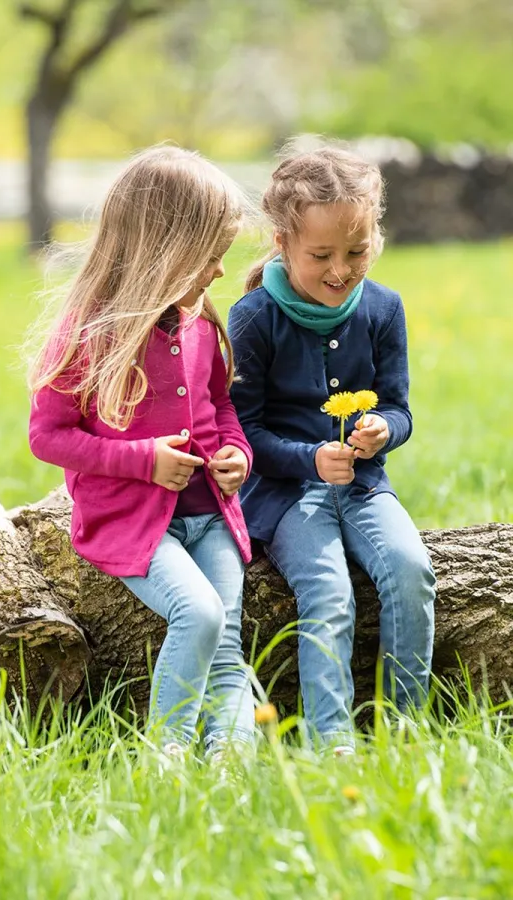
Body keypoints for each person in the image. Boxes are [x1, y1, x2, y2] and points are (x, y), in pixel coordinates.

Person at [28, 145, 255, 761]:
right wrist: (144, 462)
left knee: (228, 639)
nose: (217, 273)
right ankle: (169, 759)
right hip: (132, 521)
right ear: (166, 250)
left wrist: (237, 454)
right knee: (200, 614)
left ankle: (234, 769)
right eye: (209, 257)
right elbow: (47, 437)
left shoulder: (200, 323)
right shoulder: (88, 332)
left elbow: (220, 407)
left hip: (210, 512)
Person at [228, 141, 435, 753]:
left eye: (357, 251)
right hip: (289, 496)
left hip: (366, 487)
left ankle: (402, 728)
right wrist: (309, 459)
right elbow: (243, 433)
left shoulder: (382, 309)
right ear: (283, 241)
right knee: (328, 590)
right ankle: (332, 743)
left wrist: (382, 433)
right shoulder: (253, 317)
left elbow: (398, 408)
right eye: (321, 255)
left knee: (411, 571)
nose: (341, 270)